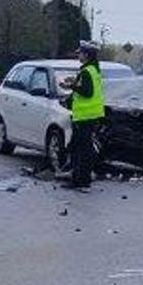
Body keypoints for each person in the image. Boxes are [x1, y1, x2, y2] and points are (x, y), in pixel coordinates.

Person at [62, 40, 107, 190]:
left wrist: (71, 86)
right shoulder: (93, 70)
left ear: (86, 55)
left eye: (80, 53)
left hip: (84, 116)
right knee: (82, 148)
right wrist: (75, 83)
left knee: (80, 150)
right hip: (90, 116)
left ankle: (80, 180)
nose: (78, 55)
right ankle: (82, 178)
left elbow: (87, 92)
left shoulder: (87, 71)